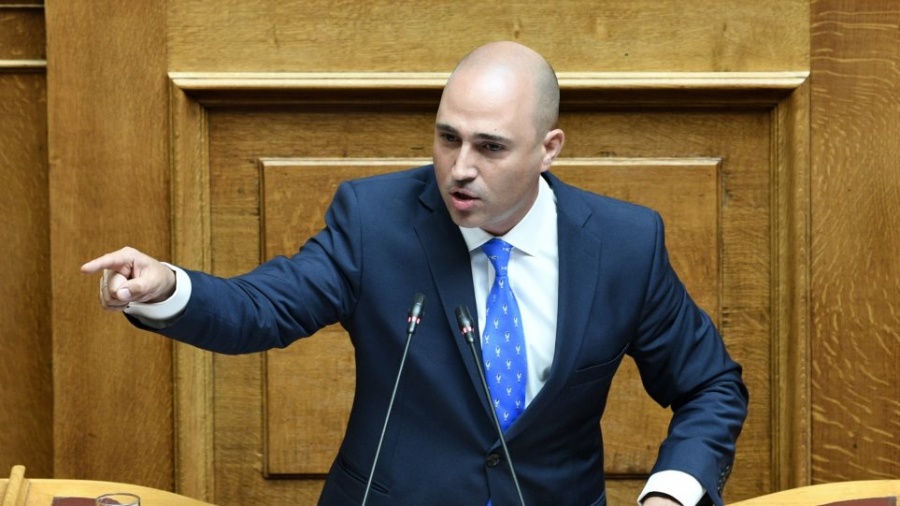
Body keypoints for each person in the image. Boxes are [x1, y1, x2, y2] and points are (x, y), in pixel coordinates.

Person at [83, 41, 748, 506]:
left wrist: (672, 492)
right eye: (447, 137)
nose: (460, 168)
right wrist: (168, 287)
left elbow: (710, 385)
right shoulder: (375, 221)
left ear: (549, 149)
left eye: (490, 147)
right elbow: (262, 309)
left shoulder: (625, 244)